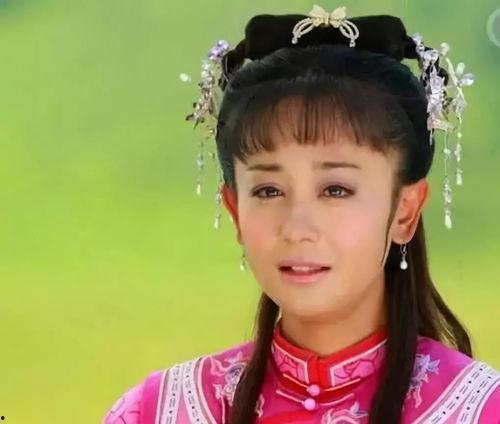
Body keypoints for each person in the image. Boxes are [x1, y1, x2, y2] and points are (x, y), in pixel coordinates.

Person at [102, 5, 500, 424]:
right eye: (268, 191)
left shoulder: (481, 410)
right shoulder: (158, 410)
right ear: (235, 210)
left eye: (335, 189)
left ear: (405, 210)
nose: (297, 228)